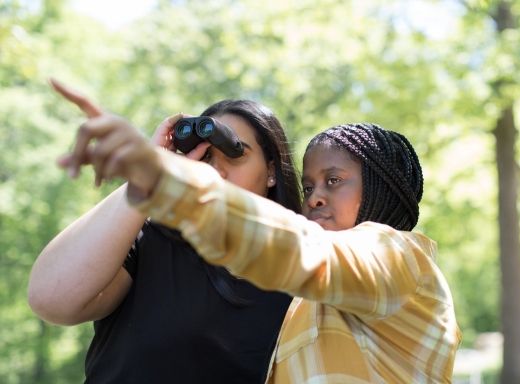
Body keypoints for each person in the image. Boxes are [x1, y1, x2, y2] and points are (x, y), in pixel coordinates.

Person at [48, 80, 461, 383]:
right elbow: (53, 298)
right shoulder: (306, 309)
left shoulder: (399, 255)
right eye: (310, 186)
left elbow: (308, 255)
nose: (315, 197)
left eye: (334, 181)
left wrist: (167, 180)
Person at [28, 79, 301, 383]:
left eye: (235, 154)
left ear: (272, 172)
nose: (217, 171)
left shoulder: (301, 276)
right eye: (206, 156)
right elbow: (51, 299)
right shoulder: (152, 241)